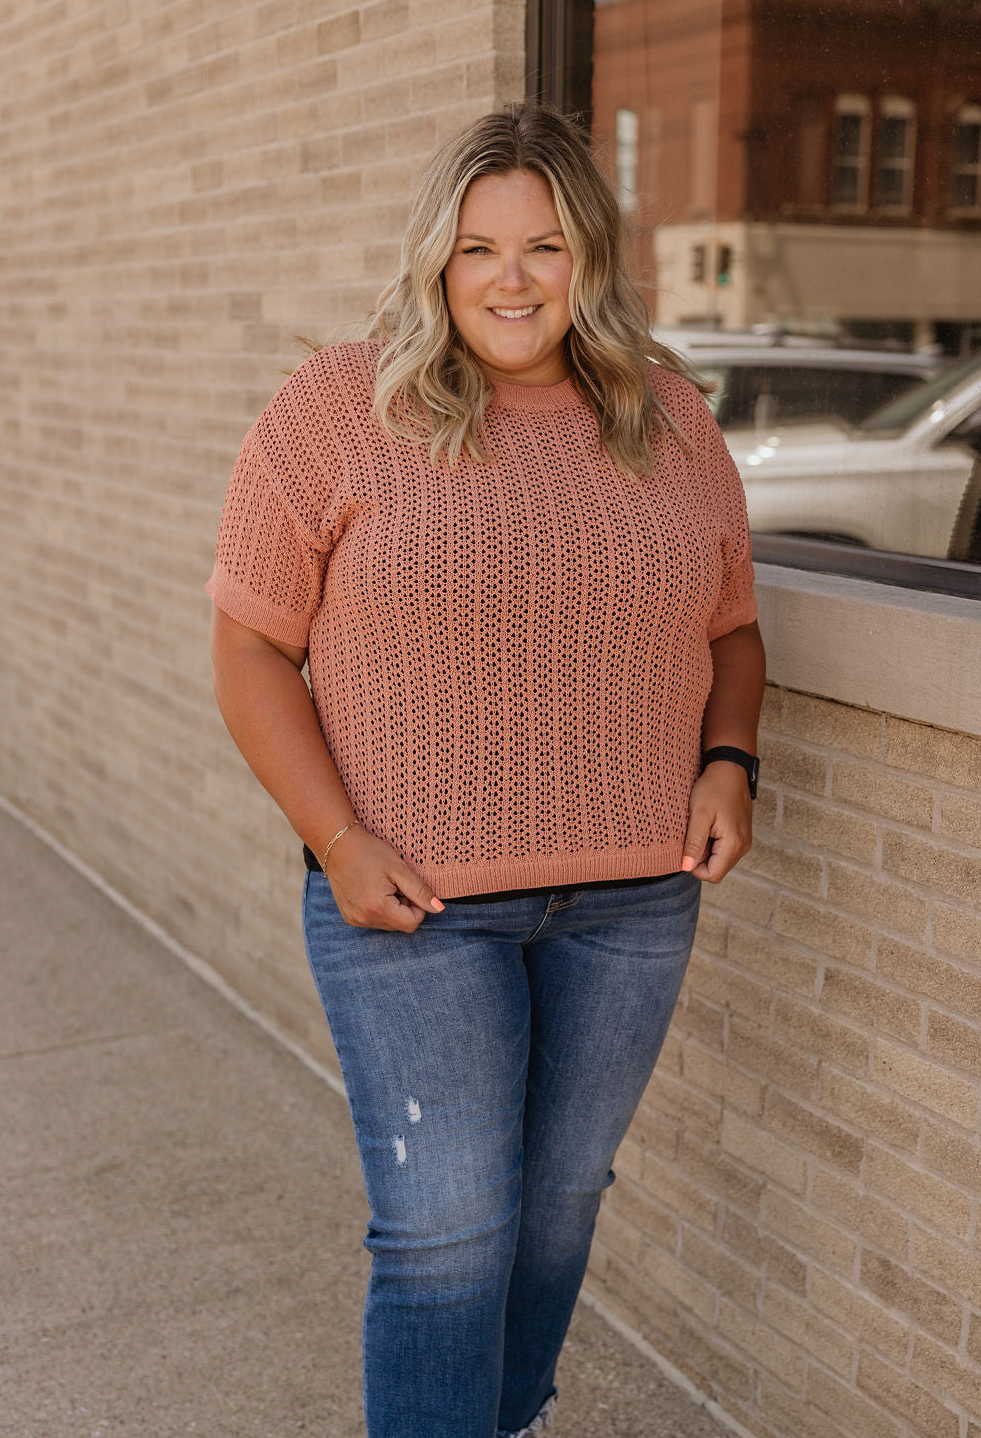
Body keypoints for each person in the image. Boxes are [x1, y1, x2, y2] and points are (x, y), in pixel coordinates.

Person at [206, 101, 765, 1438]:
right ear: (435, 262)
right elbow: (247, 647)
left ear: (591, 261)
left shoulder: (671, 421)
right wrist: (337, 837)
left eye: (545, 247)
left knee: (562, 1206)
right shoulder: (343, 406)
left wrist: (730, 758)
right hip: (412, 902)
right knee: (447, 1235)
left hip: (636, 898)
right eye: (478, 249)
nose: (511, 279)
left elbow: (733, 627)